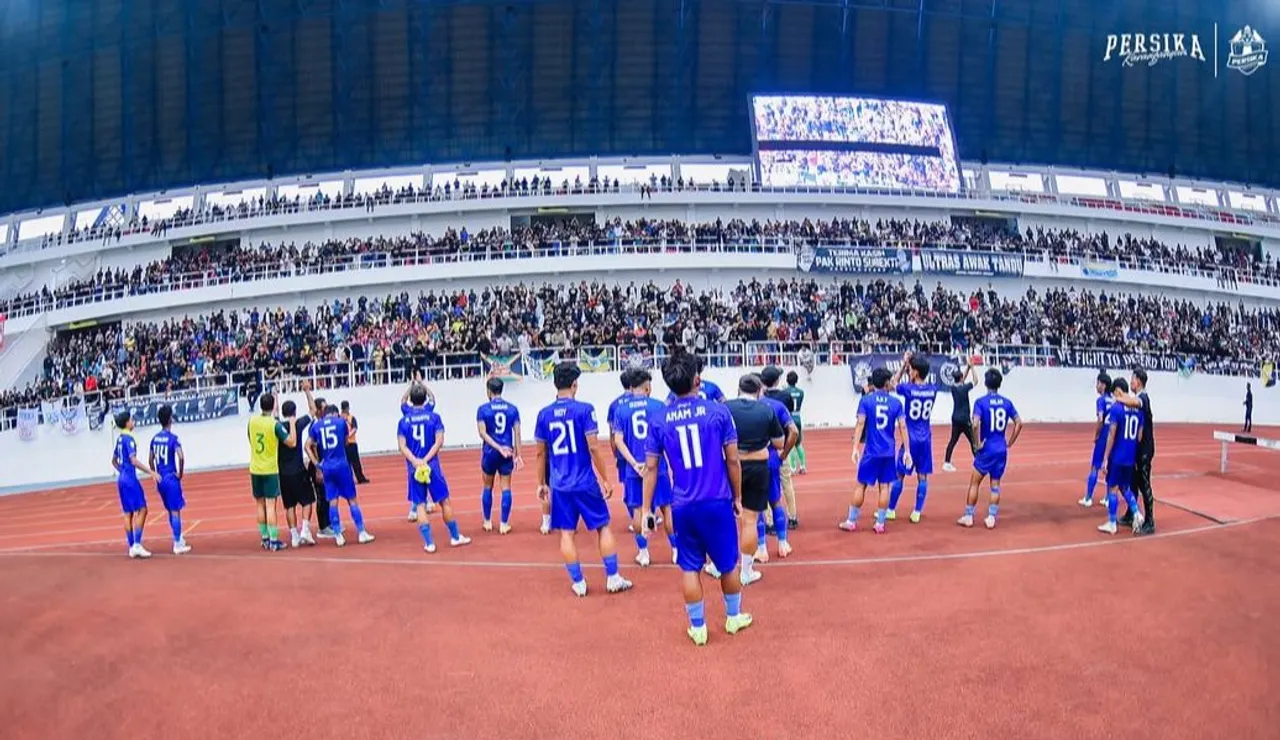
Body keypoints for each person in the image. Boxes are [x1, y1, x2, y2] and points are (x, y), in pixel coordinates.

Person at [642, 352, 752, 646]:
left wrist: (646, 510)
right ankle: (732, 617)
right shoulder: (718, 413)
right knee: (729, 564)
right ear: (697, 379)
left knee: (690, 566)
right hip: (716, 500)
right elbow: (732, 461)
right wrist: (737, 496)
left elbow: (651, 468)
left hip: (682, 504)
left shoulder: (659, 419)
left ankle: (698, 627)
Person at [534, 362, 633, 597]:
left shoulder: (544, 414)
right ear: (575, 384)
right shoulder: (585, 410)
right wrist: (606, 479)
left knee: (566, 532)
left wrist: (541, 483)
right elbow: (594, 447)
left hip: (559, 484)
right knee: (602, 526)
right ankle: (612, 577)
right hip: (585, 481)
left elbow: (541, 453)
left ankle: (578, 582)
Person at [611, 369, 678, 566]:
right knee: (667, 508)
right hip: (657, 465)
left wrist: (633, 462)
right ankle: (675, 549)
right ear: (647, 387)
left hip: (634, 468)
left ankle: (643, 552)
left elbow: (618, 441)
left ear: (630, 387)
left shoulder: (621, 410)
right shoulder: (658, 406)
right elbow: (667, 436)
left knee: (639, 509)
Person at [724, 374, 785, 586]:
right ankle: (746, 570)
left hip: (731, 465)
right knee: (750, 520)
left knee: (727, 517)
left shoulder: (726, 408)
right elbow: (779, 443)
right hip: (758, 466)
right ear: (759, 389)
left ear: (739, 388)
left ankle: (721, 564)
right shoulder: (766, 409)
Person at [399, 385, 471, 552]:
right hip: (432, 465)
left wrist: (416, 461)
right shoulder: (434, 417)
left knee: (420, 505)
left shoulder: (404, 420)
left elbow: (402, 446)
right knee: (444, 501)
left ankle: (429, 543)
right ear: (425, 398)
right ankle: (454, 536)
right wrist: (426, 459)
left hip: (414, 467)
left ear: (411, 399)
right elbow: (439, 441)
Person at [840, 368, 906, 534]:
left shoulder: (866, 401)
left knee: (861, 485)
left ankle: (851, 520)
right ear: (886, 383)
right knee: (884, 487)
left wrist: (855, 447)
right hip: (888, 452)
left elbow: (860, 424)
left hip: (871, 452)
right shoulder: (896, 403)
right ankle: (880, 523)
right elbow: (902, 426)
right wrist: (908, 451)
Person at [959, 368, 1023, 530]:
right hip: (1001, 448)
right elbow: (1019, 423)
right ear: (999, 384)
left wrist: (976, 443)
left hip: (986, 449)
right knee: (995, 484)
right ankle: (991, 517)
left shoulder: (980, 402)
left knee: (974, 483)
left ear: (986, 383)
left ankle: (968, 515)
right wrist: (1010, 442)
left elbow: (974, 424)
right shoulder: (1007, 403)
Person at [307, 403, 375, 547]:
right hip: (341, 464)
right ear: (336, 413)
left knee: (333, 501)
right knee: (352, 499)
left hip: (327, 466)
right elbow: (345, 441)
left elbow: (307, 446)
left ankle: (338, 535)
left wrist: (317, 463)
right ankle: (361, 532)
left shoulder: (316, 426)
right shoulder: (341, 423)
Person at [888, 354, 938, 523]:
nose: (909, 372)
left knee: (899, 475)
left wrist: (903, 364)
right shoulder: (933, 389)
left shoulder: (908, 389)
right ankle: (916, 511)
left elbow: (893, 382)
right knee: (922, 476)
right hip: (925, 438)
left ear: (915, 372)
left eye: (911, 370)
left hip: (910, 438)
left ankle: (891, 509)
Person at [476, 377, 527, 534]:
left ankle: (487, 521)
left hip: (490, 452)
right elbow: (517, 432)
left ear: (489, 391)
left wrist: (497, 447)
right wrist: (518, 454)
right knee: (506, 487)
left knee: (487, 486)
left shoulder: (483, 409)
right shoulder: (512, 409)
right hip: (507, 452)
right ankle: (504, 523)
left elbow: (482, 433)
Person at [758, 366, 798, 557]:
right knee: (779, 495)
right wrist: (784, 453)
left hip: (753, 458)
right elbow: (794, 430)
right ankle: (784, 538)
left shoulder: (747, 406)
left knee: (756, 504)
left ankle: (761, 546)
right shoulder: (781, 403)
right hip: (776, 453)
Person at [248, 392, 295, 551]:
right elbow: (291, 442)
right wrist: (292, 423)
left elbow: (250, 439)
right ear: (273, 406)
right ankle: (274, 540)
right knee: (270, 506)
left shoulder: (252, 421)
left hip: (255, 468)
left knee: (259, 505)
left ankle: (265, 538)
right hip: (269, 469)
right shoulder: (274, 424)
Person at [1097, 378, 1145, 535]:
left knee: (1112, 488)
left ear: (1118, 390)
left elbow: (1112, 433)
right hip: (1130, 456)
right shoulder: (1139, 410)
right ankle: (1137, 513)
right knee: (1125, 487)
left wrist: (1105, 457)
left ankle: (1112, 523)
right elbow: (1139, 436)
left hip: (1117, 455)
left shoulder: (1116, 409)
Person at [1114, 368, 1156, 535]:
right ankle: (1131, 514)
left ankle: (1150, 520)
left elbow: (1132, 402)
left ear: (1138, 381)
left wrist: (1118, 396)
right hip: (1136, 448)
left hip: (1145, 449)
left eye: (1132, 379)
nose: (1131, 382)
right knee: (1133, 482)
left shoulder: (1143, 398)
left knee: (1144, 484)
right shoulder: (1137, 398)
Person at [148, 404, 192, 555]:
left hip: (161, 479)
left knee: (169, 510)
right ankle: (177, 543)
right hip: (171, 478)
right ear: (170, 419)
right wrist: (180, 473)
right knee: (175, 511)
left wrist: (154, 474)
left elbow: (150, 459)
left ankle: (178, 537)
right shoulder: (173, 439)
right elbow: (181, 456)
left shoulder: (154, 439)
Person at [278, 394, 318, 549]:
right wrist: (307, 391)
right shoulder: (298, 423)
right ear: (294, 412)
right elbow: (313, 410)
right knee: (308, 500)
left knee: (289, 506)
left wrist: (275, 396)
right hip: (298, 470)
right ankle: (305, 530)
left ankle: (294, 535)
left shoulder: (278, 426)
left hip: (283, 473)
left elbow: (273, 414)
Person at [113, 411, 154, 559]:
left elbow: (113, 460)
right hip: (130, 478)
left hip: (122, 478)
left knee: (128, 513)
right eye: (131, 419)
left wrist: (122, 471)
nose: (133, 421)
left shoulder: (119, 439)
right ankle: (136, 544)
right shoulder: (129, 438)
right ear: (126, 423)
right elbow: (133, 460)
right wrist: (150, 471)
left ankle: (131, 546)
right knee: (142, 509)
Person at [402, 375, 437, 522]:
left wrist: (411, 386)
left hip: (413, 455)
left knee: (415, 481)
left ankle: (414, 509)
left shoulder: (407, 414)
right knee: (429, 477)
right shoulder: (429, 412)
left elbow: (402, 401)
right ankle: (428, 501)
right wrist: (422, 384)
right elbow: (433, 399)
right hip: (428, 454)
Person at [1078, 372, 1113, 508]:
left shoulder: (1101, 400)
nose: (1096, 386)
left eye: (1098, 383)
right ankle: (1108, 497)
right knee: (1109, 466)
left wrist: (1096, 434)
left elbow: (1100, 418)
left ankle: (1088, 497)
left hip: (1104, 434)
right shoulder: (1114, 400)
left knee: (1095, 466)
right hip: (1113, 434)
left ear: (1103, 385)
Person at [607, 369, 637, 520]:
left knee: (628, 484)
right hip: (640, 449)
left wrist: (615, 454)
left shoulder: (614, 405)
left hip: (623, 452)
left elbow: (612, 434)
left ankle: (634, 516)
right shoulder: (641, 399)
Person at [942, 364, 977, 472]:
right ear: (961, 378)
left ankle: (946, 462)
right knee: (973, 441)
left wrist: (967, 367)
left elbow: (961, 380)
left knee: (953, 441)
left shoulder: (953, 388)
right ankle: (979, 460)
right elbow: (976, 380)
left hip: (956, 419)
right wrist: (972, 368)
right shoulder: (965, 388)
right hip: (965, 419)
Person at [340, 401, 371, 485]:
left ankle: (360, 478)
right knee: (347, 463)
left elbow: (354, 428)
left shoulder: (350, 417)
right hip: (345, 444)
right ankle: (350, 479)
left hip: (351, 442)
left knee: (355, 462)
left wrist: (347, 435)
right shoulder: (340, 418)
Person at [784, 370, 807, 476]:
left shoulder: (785, 392)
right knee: (798, 443)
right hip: (798, 416)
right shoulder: (801, 392)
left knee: (790, 444)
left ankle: (792, 468)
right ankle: (803, 466)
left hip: (790, 417)